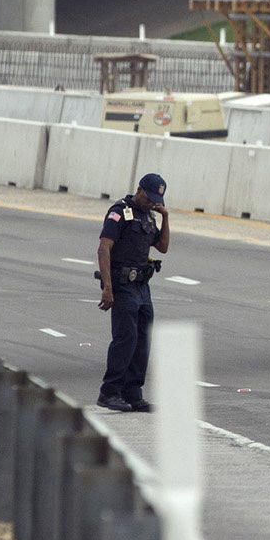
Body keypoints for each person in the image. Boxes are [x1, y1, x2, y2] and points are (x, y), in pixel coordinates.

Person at [96, 173, 170, 412]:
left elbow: (163, 247)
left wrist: (165, 218)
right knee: (125, 339)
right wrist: (108, 287)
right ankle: (110, 392)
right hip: (123, 285)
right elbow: (104, 248)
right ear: (139, 190)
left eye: (155, 200)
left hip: (142, 286)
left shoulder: (149, 216)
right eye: (148, 198)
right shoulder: (120, 211)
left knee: (142, 339)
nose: (151, 203)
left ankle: (132, 392)